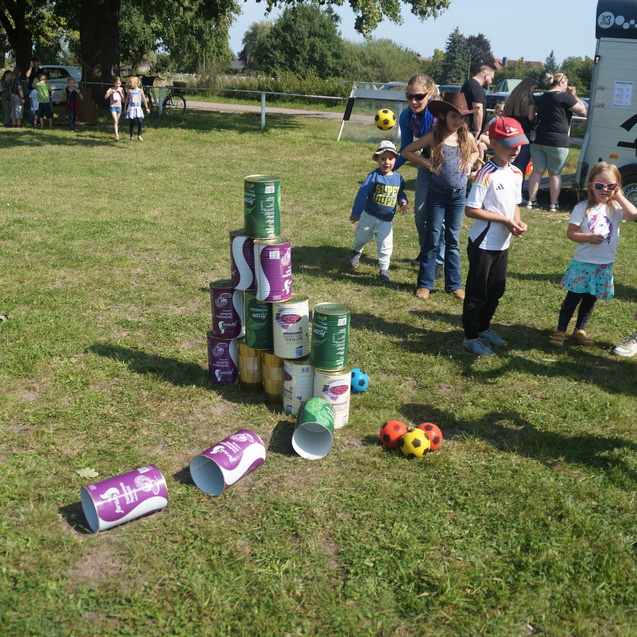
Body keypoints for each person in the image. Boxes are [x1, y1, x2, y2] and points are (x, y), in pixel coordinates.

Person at [549, 162, 637, 348]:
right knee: (573, 298)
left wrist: (619, 196)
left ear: (616, 187)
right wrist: (587, 237)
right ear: (591, 185)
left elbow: (633, 214)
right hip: (583, 263)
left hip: (603, 264)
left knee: (590, 299)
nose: (604, 190)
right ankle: (561, 330)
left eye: (610, 186)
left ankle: (580, 329)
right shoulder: (582, 207)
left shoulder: (615, 208)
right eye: (599, 185)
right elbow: (571, 233)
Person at [462, 117, 529, 356]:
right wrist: (504, 220)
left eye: (518, 144)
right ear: (494, 144)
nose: (515, 149)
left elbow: (515, 204)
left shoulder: (517, 173)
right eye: (510, 145)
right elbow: (471, 210)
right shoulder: (485, 174)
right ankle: (471, 336)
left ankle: (484, 328)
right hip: (483, 243)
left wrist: (516, 222)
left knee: (495, 290)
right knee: (477, 292)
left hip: (502, 243)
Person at [403, 93, 479, 301]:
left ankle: (454, 285)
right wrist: (428, 164)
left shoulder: (466, 137)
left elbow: (475, 152)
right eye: (454, 116)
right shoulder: (434, 136)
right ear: (444, 115)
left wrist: (470, 161)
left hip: (458, 196)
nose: (457, 121)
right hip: (437, 195)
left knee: (453, 239)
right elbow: (408, 152)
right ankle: (425, 284)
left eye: (461, 117)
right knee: (433, 237)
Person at [394, 74, 444, 278]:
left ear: (430, 94)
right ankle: (427, 251)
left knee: (440, 217)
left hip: (447, 166)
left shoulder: (442, 114)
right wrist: (389, 168)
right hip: (426, 163)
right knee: (420, 212)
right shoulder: (407, 117)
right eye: (409, 96)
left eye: (419, 96)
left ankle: (438, 261)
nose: (413, 101)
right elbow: (406, 148)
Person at [349, 140, 408, 282]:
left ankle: (384, 269)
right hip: (369, 216)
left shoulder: (398, 178)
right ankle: (356, 252)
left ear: (395, 159)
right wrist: (356, 213)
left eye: (390, 158)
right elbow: (362, 194)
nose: (386, 162)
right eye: (383, 158)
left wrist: (403, 201)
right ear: (376, 159)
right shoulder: (374, 176)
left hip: (386, 220)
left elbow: (400, 192)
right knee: (361, 238)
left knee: (386, 245)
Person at [526, 73, 587, 212]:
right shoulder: (564, 97)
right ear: (561, 83)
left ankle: (531, 201)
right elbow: (582, 110)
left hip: (538, 138)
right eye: (566, 83)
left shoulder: (541, 97)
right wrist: (574, 96)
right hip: (557, 140)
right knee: (555, 173)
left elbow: (531, 116)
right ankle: (553, 204)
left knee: (537, 171)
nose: (567, 87)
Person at [502, 77, 537, 192]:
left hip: (510, 134)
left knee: (508, 163)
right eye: (534, 89)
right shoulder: (530, 99)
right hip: (524, 135)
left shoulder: (512, 98)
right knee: (520, 166)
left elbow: (504, 114)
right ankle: (517, 193)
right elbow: (531, 117)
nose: (534, 91)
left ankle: (504, 190)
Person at [461, 66, 495, 140]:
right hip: (472, 130)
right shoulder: (476, 87)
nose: (491, 82)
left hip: (467, 128)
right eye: (491, 78)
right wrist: (478, 130)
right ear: (486, 76)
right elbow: (477, 109)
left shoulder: (470, 83)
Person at [124, 76, 150, 141]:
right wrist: (125, 108)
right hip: (132, 108)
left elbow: (144, 99)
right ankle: (131, 135)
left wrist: (146, 107)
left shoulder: (140, 91)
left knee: (139, 121)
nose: (129, 84)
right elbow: (126, 100)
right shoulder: (130, 91)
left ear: (135, 83)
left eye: (131, 82)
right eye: (129, 82)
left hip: (138, 108)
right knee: (132, 122)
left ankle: (139, 135)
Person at [105, 76, 125, 141]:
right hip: (113, 106)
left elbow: (123, 99)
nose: (118, 85)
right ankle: (117, 135)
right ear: (114, 83)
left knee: (116, 121)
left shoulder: (121, 89)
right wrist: (110, 92)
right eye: (116, 83)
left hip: (119, 106)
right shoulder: (111, 89)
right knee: (115, 120)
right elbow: (105, 97)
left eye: (119, 83)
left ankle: (115, 133)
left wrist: (120, 93)